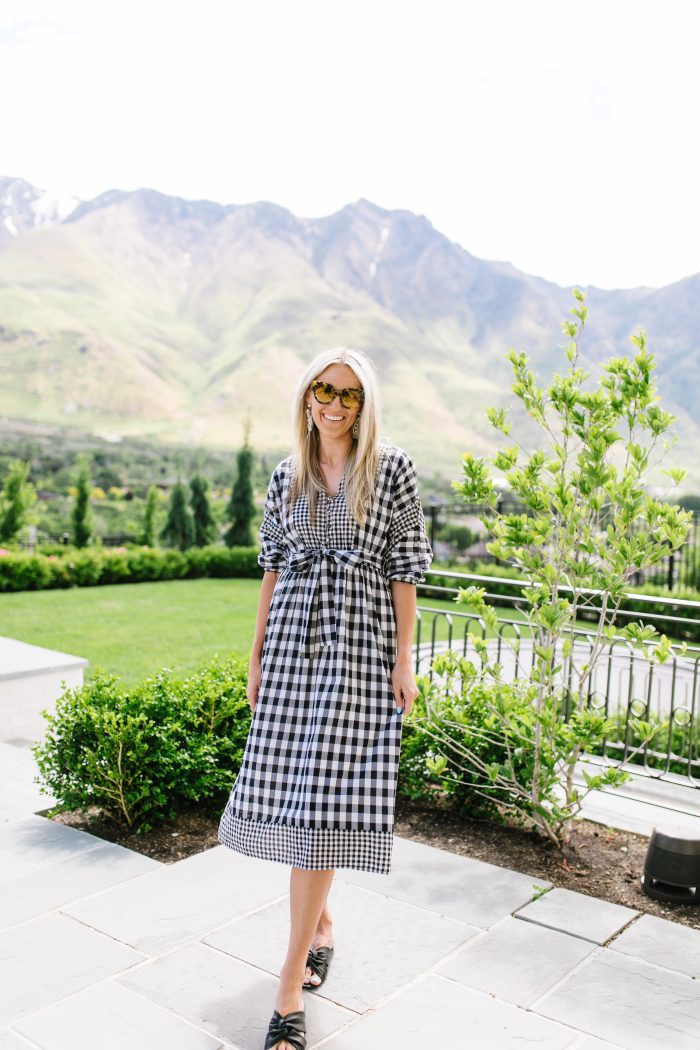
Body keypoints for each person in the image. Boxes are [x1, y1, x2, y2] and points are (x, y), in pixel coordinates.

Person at [218, 347, 433, 1050]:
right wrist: (255, 657)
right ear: (307, 395)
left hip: (361, 651)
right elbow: (272, 570)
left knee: (327, 803)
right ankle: (322, 927)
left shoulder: (390, 469)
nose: (334, 404)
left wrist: (405, 659)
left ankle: (287, 991)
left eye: (349, 395)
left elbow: (405, 571)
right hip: (293, 649)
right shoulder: (289, 475)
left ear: (365, 405)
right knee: (302, 797)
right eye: (323, 389)